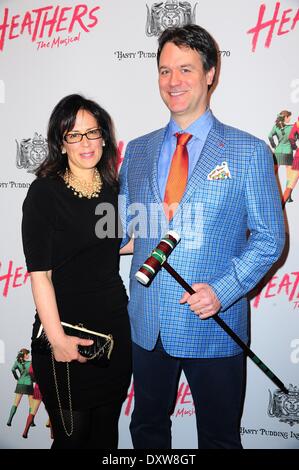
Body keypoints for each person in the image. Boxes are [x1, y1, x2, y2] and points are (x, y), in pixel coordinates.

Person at [119, 24, 285, 449]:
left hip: (214, 322)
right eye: (164, 70)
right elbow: (120, 229)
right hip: (147, 325)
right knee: (147, 431)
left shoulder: (249, 152)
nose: (173, 81)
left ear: (211, 73)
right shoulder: (136, 151)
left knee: (219, 439)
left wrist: (223, 290)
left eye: (186, 69)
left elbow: (269, 238)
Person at [22, 94, 132, 449]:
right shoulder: (44, 193)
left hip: (114, 337)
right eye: (74, 134)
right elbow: (40, 274)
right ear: (61, 141)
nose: (85, 142)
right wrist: (57, 340)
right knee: (72, 441)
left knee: (105, 440)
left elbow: (109, 245)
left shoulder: (113, 190)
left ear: (104, 137)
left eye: (92, 132)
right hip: (65, 337)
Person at [268, 110, 296, 206]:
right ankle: (285, 200)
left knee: (272, 173)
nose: (290, 119)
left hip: (278, 151)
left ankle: (267, 192)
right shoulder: (292, 127)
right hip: (288, 152)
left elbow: (269, 135)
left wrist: (274, 145)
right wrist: (294, 145)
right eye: (289, 117)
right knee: (289, 178)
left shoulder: (276, 127)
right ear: (285, 117)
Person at [7, 348, 34, 427]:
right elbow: (33, 373)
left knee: (15, 403)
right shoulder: (31, 363)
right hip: (28, 384)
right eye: (27, 354)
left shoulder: (17, 362)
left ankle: (9, 420)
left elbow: (12, 370)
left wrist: (17, 378)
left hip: (20, 384)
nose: (28, 355)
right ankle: (31, 422)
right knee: (32, 405)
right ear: (24, 355)